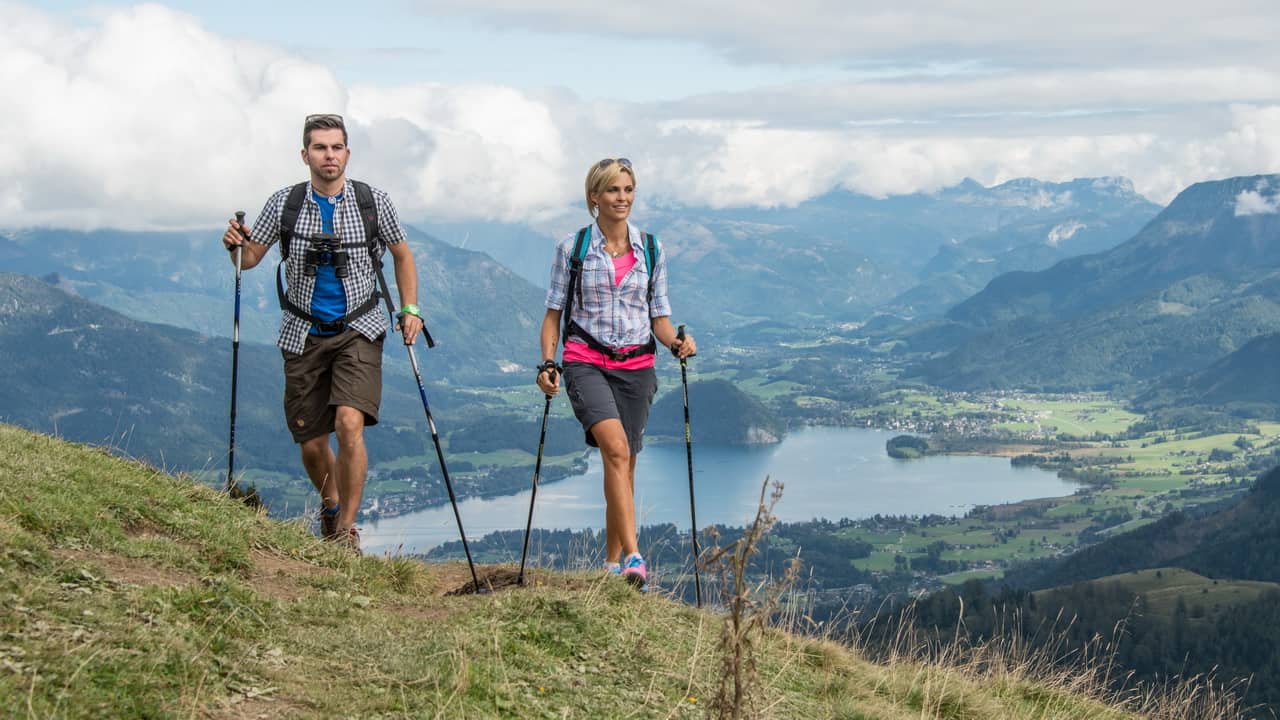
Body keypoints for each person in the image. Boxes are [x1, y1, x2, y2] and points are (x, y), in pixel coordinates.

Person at [220, 113, 423, 553]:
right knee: (312, 442)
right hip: (301, 333)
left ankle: (344, 530)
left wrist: (410, 309)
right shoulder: (284, 204)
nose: (328, 156)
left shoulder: (373, 202)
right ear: (305, 155)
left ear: (347, 153)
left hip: (359, 328)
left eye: (335, 147)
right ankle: (329, 501)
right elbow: (249, 259)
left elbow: (402, 256)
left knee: (350, 423)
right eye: (319, 148)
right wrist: (234, 245)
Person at [536, 157, 697, 591]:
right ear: (594, 197)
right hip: (585, 360)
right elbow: (553, 314)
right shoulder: (573, 248)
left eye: (628, 190)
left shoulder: (651, 248)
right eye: (612, 190)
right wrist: (549, 362)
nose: (622, 198)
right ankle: (634, 557)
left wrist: (677, 343)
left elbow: (659, 316)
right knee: (616, 451)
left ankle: (609, 564)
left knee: (623, 467)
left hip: (638, 366)